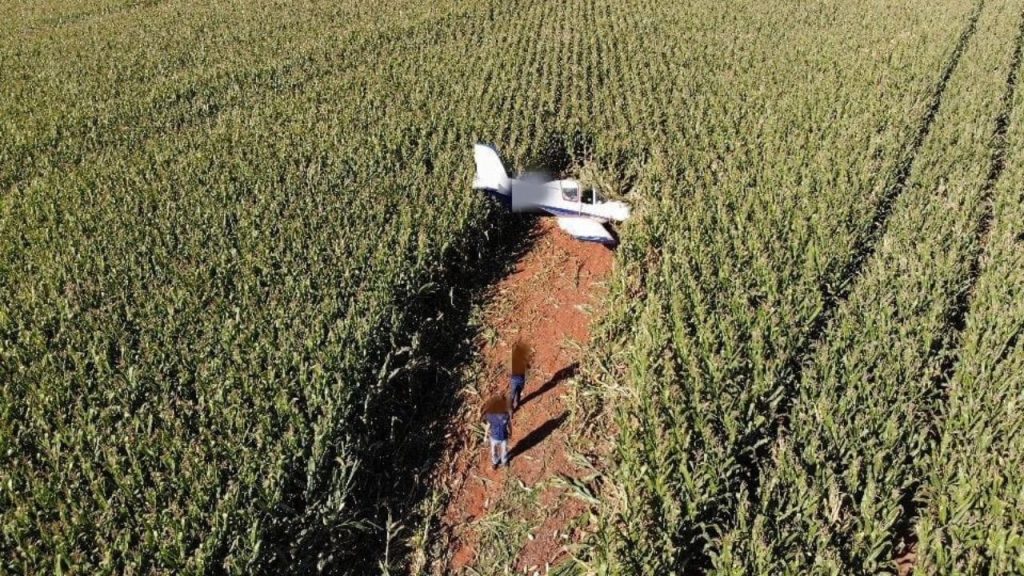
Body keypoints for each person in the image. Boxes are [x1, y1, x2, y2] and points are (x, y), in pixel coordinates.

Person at [482, 393, 511, 469]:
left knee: (504, 451)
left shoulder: (506, 415)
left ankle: (504, 462)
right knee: (494, 452)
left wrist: (511, 432)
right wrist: (485, 436)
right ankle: (495, 462)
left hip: (504, 437)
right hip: (493, 437)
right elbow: (488, 426)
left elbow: (509, 424)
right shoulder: (490, 415)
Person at [510, 340, 531, 411]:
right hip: (520, 379)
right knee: (518, 393)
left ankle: (511, 408)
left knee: (513, 395)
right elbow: (528, 367)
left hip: (514, 379)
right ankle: (517, 404)